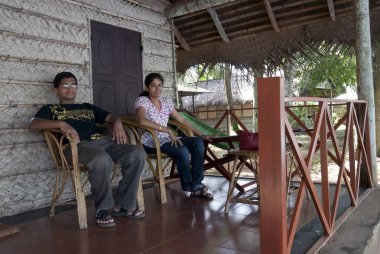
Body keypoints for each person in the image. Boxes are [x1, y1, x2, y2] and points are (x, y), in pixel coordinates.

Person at [30, 72, 147, 228]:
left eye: (73, 85)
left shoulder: (87, 107)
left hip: (103, 143)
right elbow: (34, 124)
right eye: (65, 85)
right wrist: (61, 124)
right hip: (75, 147)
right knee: (101, 159)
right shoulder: (51, 109)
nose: (70, 89)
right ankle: (103, 209)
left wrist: (117, 124)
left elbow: (113, 117)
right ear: (56, 90)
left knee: (137, 153)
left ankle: (124, 205)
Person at [134, 72, 213, 200]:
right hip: (150, 140)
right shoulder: (142, 101)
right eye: (153, 86)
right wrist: (167, 130)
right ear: (147, 87)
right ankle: (189, 186)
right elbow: (141, 121)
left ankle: (197, 184)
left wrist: (202, 135)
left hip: (168, 139)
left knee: (198, 143)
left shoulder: (166, 101)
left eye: (160, 85)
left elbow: (182, 121)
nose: (157, 88)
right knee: (182, 150)